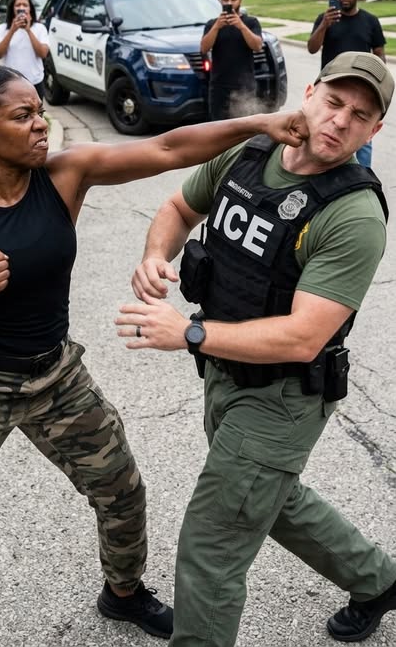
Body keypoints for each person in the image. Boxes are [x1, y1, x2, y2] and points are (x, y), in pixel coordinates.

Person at [0, 64, 308, 645]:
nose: (40, 125)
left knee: (121, 490)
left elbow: (168, 148)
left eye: (39, 111)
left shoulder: (66, 175)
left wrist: (263, 123)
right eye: (21, 116)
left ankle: (122, 592)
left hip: (55, 376)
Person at [118, 51, 396, 647]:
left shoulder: (353, 213)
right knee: (271, 498)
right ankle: (378, 580)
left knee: (211, 547)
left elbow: (303, 336)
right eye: (334, 101)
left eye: (361, 114)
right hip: (225, 376)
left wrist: (188, 332)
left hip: (282, 400)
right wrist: (154, 255)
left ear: (375, 131)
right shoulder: (250, 150)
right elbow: (177, 207)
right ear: (311, 90)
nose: (340, 120)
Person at [307, 0, 386, 167]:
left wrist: (378, 83)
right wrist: (324, 25)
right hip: (330, 88)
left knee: (361, 139)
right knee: (322, 132)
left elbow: (379, 54)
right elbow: (312, 47)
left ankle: (361, 177)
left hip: (361, 91)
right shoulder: (325, 18)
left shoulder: (370, 21)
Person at [200, 0, 263, 121]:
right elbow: (204, 48)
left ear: (240, 0)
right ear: (221, 0)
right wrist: (216, 27)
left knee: (245, 127)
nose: (229, 2)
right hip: (219, 86)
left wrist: (241, 26)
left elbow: (257, 46)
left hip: (244, 86)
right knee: (218, 127)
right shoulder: (212, 24)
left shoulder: (251, 22)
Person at [0, 0, 49, 99]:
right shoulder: (2, 28)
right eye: (18, 5)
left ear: (30, 9)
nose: (21, 8)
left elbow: (43, 53)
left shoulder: (39, 28)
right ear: (12, 9)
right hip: (11, 83)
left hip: (34, 81)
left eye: (25, 5)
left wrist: (28, 30)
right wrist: (12, 30)